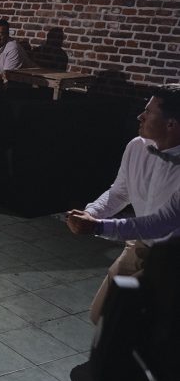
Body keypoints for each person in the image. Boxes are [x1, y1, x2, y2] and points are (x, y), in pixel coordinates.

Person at [65, 85, 180, 324]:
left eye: (149, 112)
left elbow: (161, 224)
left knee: (137, 328)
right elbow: (119, 192)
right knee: (102, 314)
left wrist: (98, 227)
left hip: (172, 259)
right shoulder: (136, 146)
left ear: (171, 124)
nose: (141, 116)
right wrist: (91, 212)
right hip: (139, 246)